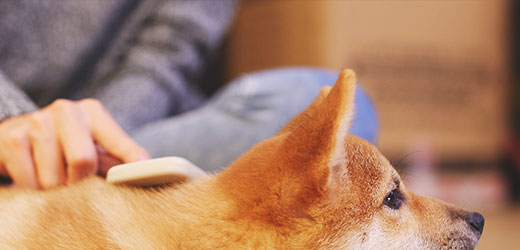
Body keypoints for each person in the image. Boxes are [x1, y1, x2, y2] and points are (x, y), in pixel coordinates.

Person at [0, 0, 378, 190]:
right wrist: (11, 116)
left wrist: (99, 142)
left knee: (326, 108)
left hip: (124, 135)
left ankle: (93, 204)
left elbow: (171, 47)